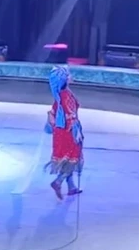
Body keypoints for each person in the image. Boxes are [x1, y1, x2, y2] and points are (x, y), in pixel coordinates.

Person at [45, 66, 84, 200]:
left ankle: (71, 187)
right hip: (68, 131)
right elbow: (70, 115)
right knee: (72, 158)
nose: (70, 76)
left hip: (61, 131)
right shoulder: (66, 95)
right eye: (68, 75)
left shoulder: (61, 95)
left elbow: (54, 111)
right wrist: (76, 132)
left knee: (67, 160)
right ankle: (58, 181)